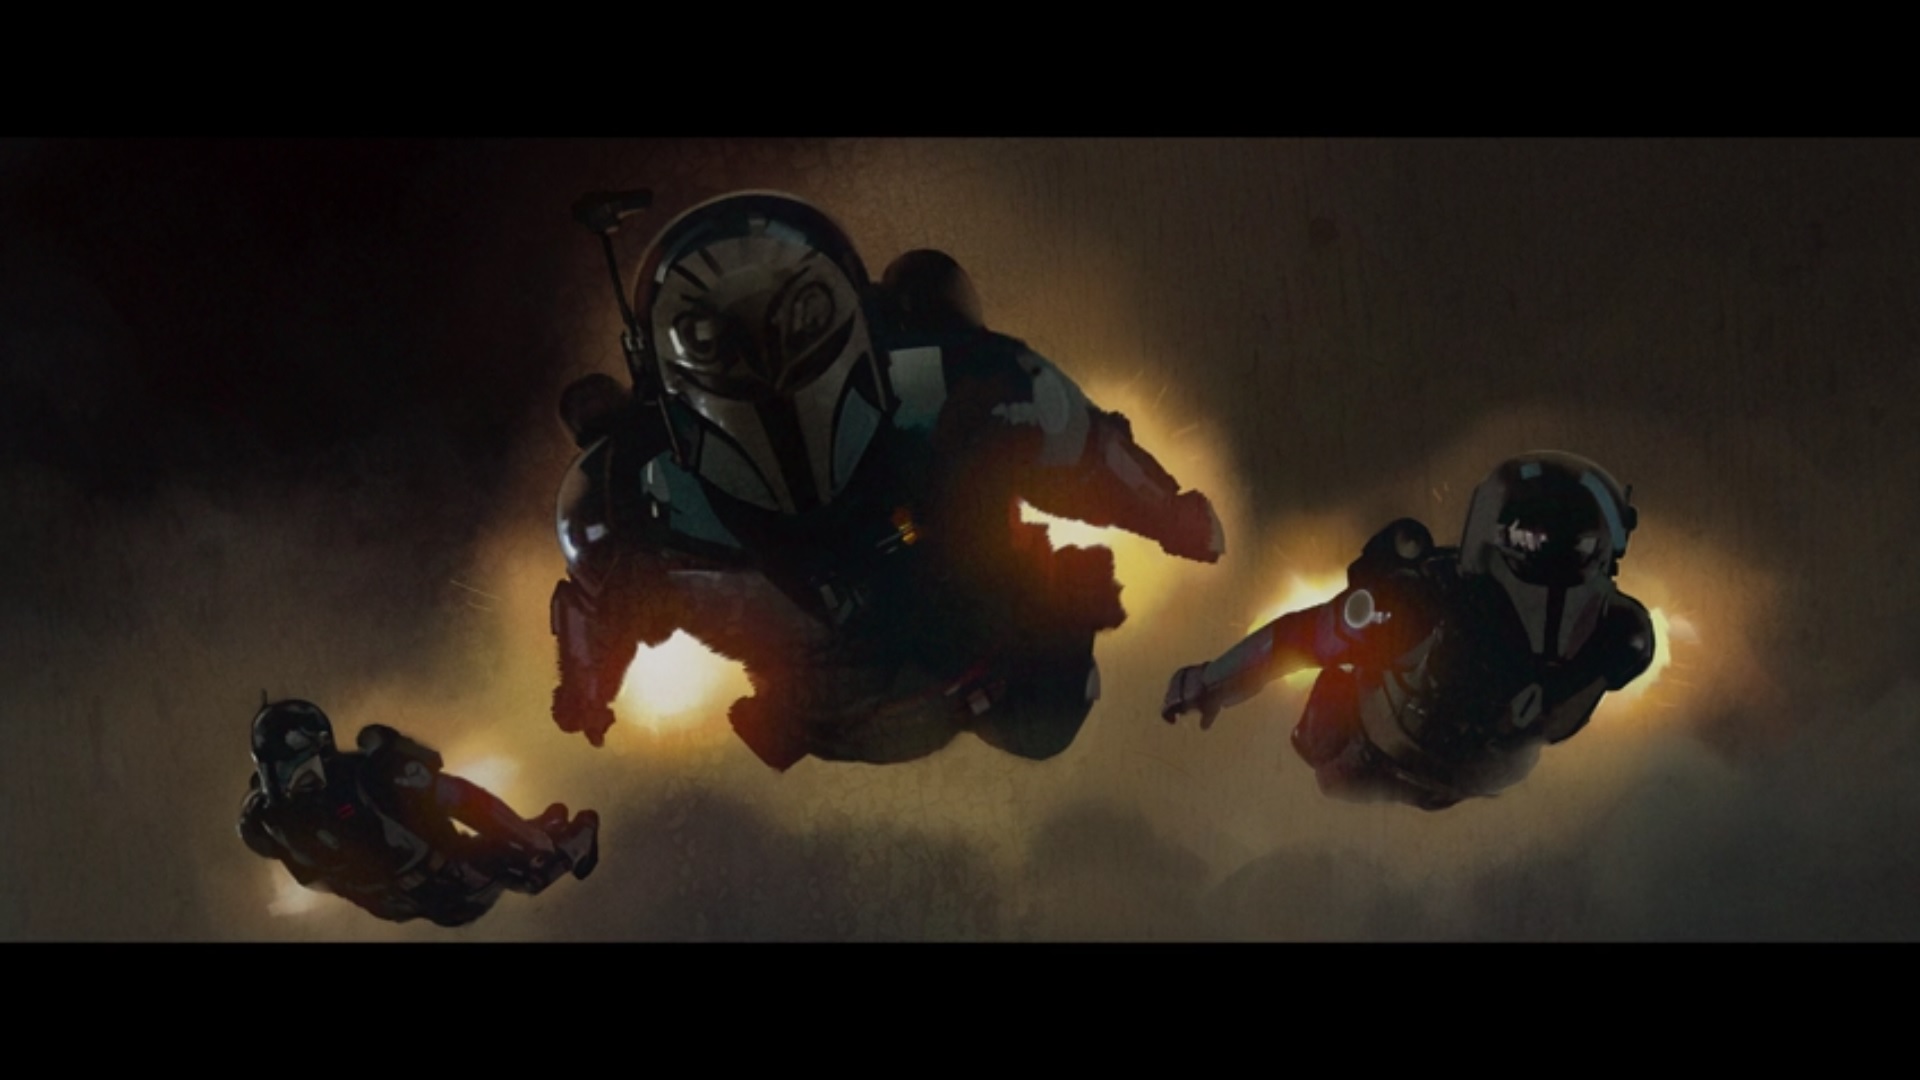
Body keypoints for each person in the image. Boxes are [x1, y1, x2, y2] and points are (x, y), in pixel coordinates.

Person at [550, 191, 1223, 768]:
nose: (766, 358)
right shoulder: (635, 484)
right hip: (850, 708)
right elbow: (598, 600)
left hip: (971, 664)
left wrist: (1171, 517)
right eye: (728, 338)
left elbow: (1079, 444)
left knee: (1045, 718)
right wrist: (587, 689)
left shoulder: (951, 382)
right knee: (1039, 713)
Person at [1162, 452, 1655, 810]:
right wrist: (1211, 682)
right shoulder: (1422, 604)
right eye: (1538, 544)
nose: (1553, 576)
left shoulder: (1619, 637)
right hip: (1378, 763)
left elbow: (1298, 640)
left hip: (1468, 786)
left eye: (1575, 549)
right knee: (1329, 722)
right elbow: (1300, 638)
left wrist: (1208, 683)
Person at [238, 699, 599, 927]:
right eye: (278, 770)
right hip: (438, 894)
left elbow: (464, 800)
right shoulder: (265, 822)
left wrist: (527, 838)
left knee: (527, 861)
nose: (288, 782)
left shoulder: (369, 777)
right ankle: (551, 841)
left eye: (296, 768)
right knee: (531, 864)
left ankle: (555, 837)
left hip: (442, 888)